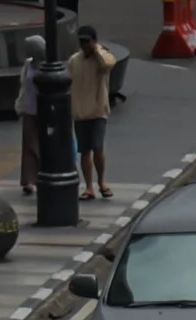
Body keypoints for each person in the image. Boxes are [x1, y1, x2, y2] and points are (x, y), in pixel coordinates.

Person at [72, 26, 117, 200]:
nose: (84, 45)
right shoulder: (75, 60)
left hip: (98, 111)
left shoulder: (102, 57)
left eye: (87, 41)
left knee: (98, 147)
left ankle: (102, 182)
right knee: (84, 151)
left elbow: (108, 64)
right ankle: (89, 186)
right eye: (81, 41)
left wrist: (97, 49)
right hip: (81, 111)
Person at [17, 35, 43, 194]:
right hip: (29, 108)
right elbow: (23, 85)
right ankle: (28, 179)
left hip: (44, 111)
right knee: (29, 145)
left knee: (43, 145)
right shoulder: (28, 64)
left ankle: (42, 174)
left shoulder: (48, 65)